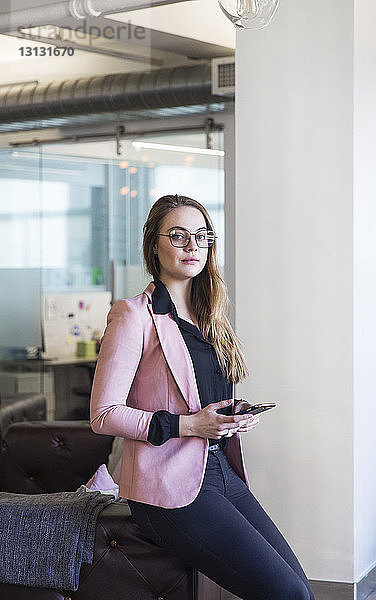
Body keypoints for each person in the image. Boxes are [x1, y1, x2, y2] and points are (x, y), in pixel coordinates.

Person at [90, 194, 315, 600]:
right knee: (288, 595)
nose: (192, 246)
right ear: (154, 246)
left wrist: (232, 417)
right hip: (166, 488)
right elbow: (104, 415)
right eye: (178, 236)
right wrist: (190, 424)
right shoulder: (132, 315)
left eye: (201, 236)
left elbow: (200, 398)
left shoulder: (208, 312)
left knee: (300, 589)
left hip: (220, 472)